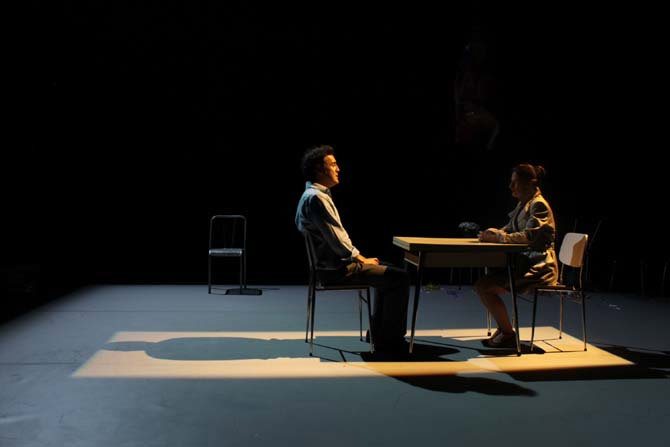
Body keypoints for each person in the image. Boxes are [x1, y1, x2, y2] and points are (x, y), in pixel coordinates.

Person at [295, 145, 410, 354]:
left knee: (388, 269)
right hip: (336, 270)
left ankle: (379, 334)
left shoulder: (310, 195)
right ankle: (390, 341)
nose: (338, 168)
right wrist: (360, 258)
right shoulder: (316, 198)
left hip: (330, 267)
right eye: (333, 164)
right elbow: (338, 241)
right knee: (399, 278)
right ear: (319, 169)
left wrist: (359, 258)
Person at [475, 163, 558, 348]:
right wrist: (493, 232)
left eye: (515, 182)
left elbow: (529, 236)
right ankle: (505, 330)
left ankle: (507, 333)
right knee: (483, 285)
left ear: (530, 183)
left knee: (484, 286)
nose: (510, 186)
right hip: (525, 263)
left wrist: (498, 237)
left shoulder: (538, 205)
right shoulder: (524, 203)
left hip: (538, 268)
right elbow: (510, 229)